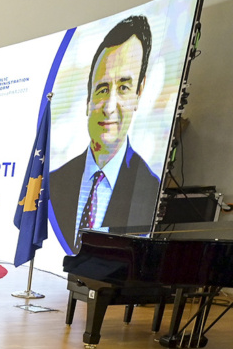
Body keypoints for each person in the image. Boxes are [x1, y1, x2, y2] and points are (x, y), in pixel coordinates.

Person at [49, 15, 162, 250]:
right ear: (88, 99)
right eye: (102, 88)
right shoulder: (52, 183)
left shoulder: (151, 191)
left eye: (123, 87)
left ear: (139, 93)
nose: (109, 107)